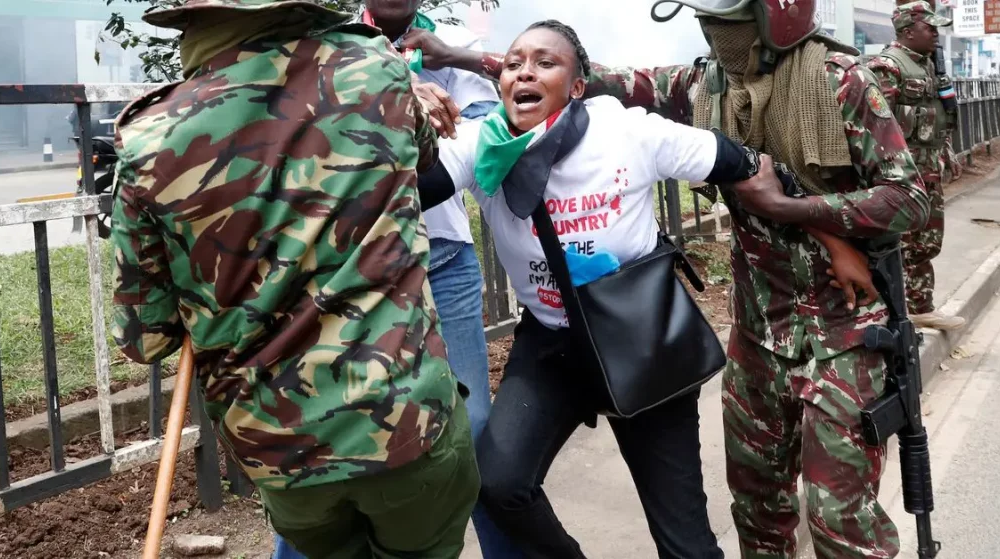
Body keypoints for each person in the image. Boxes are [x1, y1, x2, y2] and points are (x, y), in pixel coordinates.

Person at [403, 1, 931, 557]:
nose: (524, 72)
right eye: (514, 64)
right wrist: (409, 95)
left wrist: (829, 233)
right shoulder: (493, 139)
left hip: (694, 334)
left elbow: (765, 171)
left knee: (771, 531)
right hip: (615, 337)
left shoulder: (832, 83)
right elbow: (426, 180)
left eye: (730, 22)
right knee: (752, 509)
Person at [108, 1, 480, 557]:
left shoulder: (147, 140)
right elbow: (425, 156)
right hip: (407, 426)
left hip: (279, 453)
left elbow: (147, 338)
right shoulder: (378, 70)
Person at [268, 1, 515, 557]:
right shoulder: (327, 40)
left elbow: (485, 135)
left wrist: (457, 60)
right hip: (346, 269)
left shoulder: (451, 45)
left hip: (442, 258)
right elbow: (300, 132)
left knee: (473, 426)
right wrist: (394, 94)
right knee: (328, 432)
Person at [869, 0, 966, 331]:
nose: (936, 34)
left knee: (926, 242)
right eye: (930, 28)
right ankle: (899, 309)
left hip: (929, 170)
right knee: (902, 242)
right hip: (903, 176)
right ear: (908, 31)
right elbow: (877, 127)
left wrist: (947, 152)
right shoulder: (888, 67)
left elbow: (938, 118)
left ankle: (920, 306)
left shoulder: (928, 66)